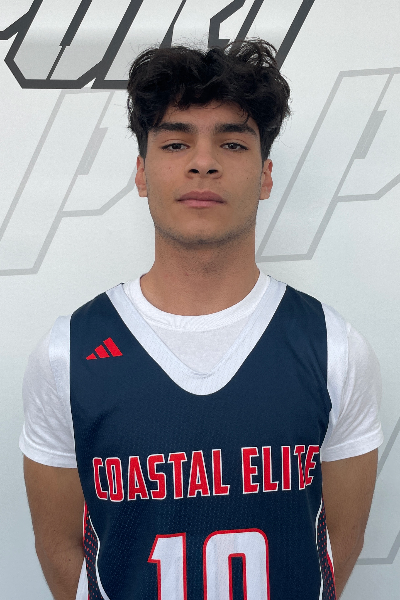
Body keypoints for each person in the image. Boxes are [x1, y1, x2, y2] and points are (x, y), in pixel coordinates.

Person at [21, 40, 383, 600]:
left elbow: (335, 549)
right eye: (176, 142)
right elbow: (60, 546)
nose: (203, 161)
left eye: (232, 143)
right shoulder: (67, 353)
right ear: (142, 173)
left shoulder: (334, 346)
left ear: (265, 176)